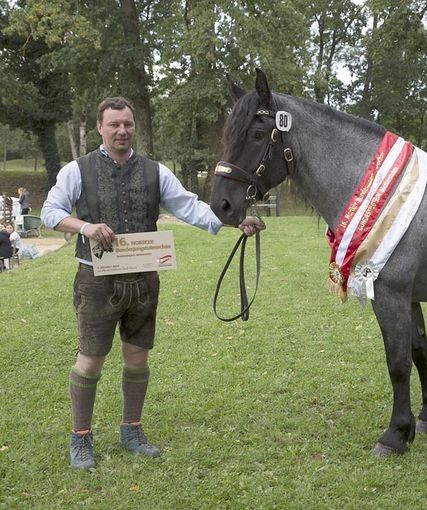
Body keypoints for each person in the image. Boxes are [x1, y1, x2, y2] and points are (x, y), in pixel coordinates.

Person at [41, 96, 265, 471]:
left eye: (127, 124)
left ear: (134, 127)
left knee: (137, 355)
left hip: (144, 277)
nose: (122, 130)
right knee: (91, 358)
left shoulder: (154, 172)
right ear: (100, 127)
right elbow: (51, 211)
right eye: (113, 124)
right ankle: (80, 438)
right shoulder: (76, 171)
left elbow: (189, 206)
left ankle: (131, 430)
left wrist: (235, 220)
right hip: (96, 280)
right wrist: (86, 227)